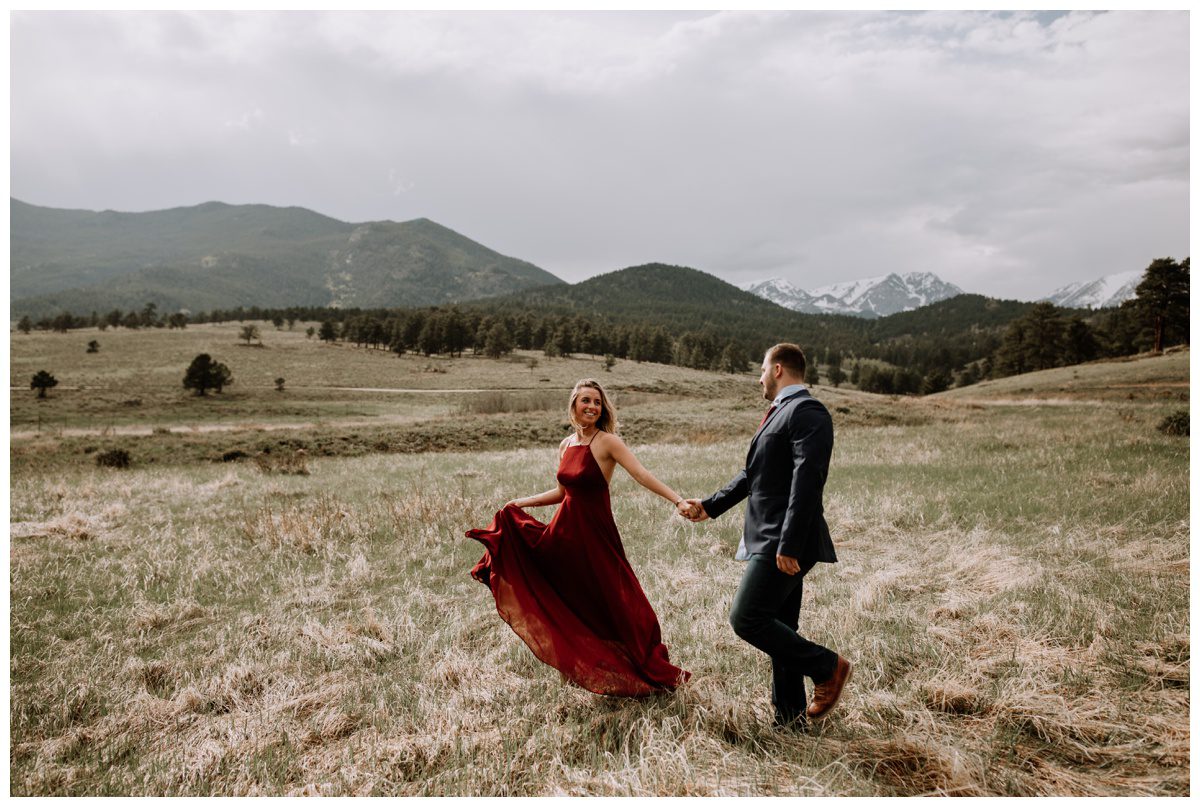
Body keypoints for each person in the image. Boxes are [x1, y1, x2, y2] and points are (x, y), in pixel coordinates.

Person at [466, 378, 692, 697]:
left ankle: (646, 665)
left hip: (596, 534)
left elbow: (641, 474)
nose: (592, 407)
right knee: (569, 598)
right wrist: (520, 502)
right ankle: (577, 664)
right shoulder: (566, 445)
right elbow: (562, 492)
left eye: (597, 402)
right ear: (574, 405)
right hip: (565, 533)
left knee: (623, 601)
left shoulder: (608, 442)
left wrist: (677, 500)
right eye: (586, 400)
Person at [681, 343, 850, 729]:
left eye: (761, 370)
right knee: (781, 629)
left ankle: (827, 667)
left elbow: (808, 480)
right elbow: (755, 474)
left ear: (777, 370)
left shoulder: (807, 411)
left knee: (747, 617)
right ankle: (789, 720)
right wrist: (710, 505)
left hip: (784, 540)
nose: (758, 378)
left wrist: (789, 542)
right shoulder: (781, 413)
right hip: (772, 536)